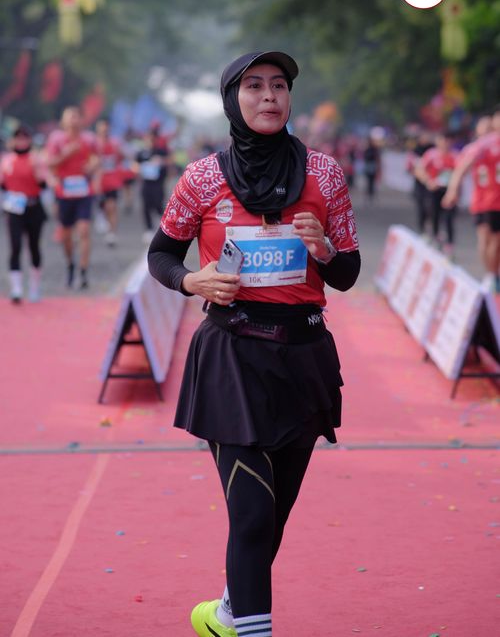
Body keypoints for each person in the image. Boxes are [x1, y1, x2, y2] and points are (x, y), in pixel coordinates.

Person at [148, 51, 360, 637]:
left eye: (279, 86)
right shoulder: (202, 178)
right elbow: (160, 254)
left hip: (305, 359)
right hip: (232, 356)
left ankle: (227, 613)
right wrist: (191, 280)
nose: (269, 96)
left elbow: (347, 273)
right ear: (232, 100)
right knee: (250, 517)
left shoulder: (324, 174)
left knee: (272, 518)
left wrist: (323, 251)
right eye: (254, 86)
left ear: (290, 98)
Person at [442, 110, 500, 291]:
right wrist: (453, 190)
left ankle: (492, 275)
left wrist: (453, 190)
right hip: (488, 201)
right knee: (488, 240)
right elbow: (461, 168)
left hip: (488, 201)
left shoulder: (481, 145)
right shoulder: (483, 145)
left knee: (491, 241)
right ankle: (492, 275)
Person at [46, 106, 99, 289]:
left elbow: (96, 159)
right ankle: (70, 265)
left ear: (81, 120)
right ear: (63, 121)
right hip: (64, 192)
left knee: (84, 231)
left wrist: (92, 167)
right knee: (66, 235)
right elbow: (50, 163)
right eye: (70, 117)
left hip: (84, 191)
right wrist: (66, 154)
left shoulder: (89, 139)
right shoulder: (56, 139)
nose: (73, 120)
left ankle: (83, 272)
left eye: (76, 116)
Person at [0, 125, 47, 302]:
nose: (21, 141)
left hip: (33, 207)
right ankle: (16, 288)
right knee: (15, 246)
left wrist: (38, 174)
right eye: (17, 138)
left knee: (34, 246)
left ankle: (35, 285)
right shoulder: (6, 160)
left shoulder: (36, 159)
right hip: (14, 209)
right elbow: (3, 185)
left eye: (24, 138)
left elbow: (43, 185)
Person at [414, 132, 458, 257]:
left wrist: (455, 189)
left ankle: (449, 246)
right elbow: (419, 170)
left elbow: (460, 172)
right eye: (443, 140)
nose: (445, 143)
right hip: (434, 191)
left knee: (449, 218)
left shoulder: (455, 155)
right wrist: (428, 181)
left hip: (449, 191)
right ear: (438, 141)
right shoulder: (431, 154)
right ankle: (436, 239)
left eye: (448, 140)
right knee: (434, 216)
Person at [135, 128, 169, 243]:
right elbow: (135, 164)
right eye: (148, 138)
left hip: (158, 183)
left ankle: (162, 225)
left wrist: (161, 161)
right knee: (146, 206)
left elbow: (169, 161)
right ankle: (149, 229)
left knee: (158, 204)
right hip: (146, 183)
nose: (150, 140)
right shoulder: (141, 153)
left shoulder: (160, 151)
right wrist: (139, 168)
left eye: (152, 138)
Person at [94, 117, 124, 246]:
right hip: (98, 180)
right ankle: (101, 215)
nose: (104, 130)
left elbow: (122, 157)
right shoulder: (93, 143)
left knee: (112, 206)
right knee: (103, 205)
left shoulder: (115, 143)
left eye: (106, 128)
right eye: (102, 128)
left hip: (112, 180)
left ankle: (111, 234)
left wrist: (119, 153)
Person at [406, 130, 433, 237]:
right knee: (421, 207)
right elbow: (409, 167)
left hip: (432, 184)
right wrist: (421, 175)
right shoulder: (415, 151)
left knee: (431, 207)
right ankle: (422, 229)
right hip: (420, 184)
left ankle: (432, 228)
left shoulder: (433, 150)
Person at [362, 135, 381, 199]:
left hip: (372, 165)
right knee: (369, 180)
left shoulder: (374, 149)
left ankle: (371, 192)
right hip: (369, 165)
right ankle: (369, 192)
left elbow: (376, 158)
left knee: (372, 180)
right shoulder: (367, 149)